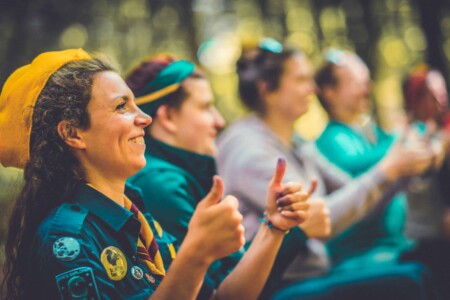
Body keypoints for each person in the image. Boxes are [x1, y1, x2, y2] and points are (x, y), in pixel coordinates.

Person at [0, 49, 310, 299]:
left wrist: (274, 227)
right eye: (122, 106)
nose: (145, 118)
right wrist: (196, 256)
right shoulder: (67, 239)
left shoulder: (138, 215)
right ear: (73, 134)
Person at [217, 39, 437, 299]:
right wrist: (389, 169)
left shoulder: (295, 142)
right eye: (301, 80)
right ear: (268, 90)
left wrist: (403, 170)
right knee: (411, 278)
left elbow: (356, 197)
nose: (312, 88)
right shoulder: (247, 149)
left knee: (427, 266)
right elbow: (320, 220)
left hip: (316, 274)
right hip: (280, 286)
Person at [125, 54, 329, 296]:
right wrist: (294, 231)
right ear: (168, 117)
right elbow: (225, 290)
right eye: (205, 108)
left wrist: (278, 225)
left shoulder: (176, 175)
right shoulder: (160, 184)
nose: (219, 121)